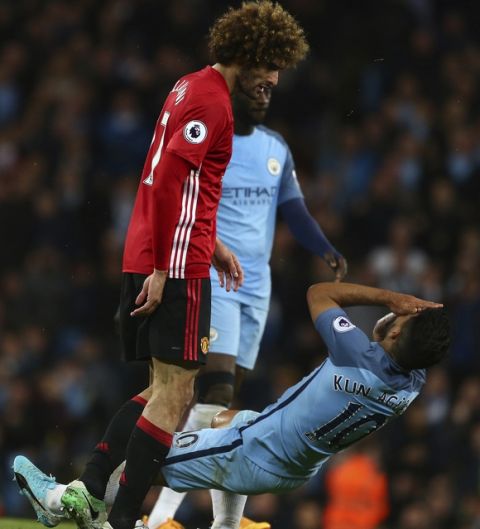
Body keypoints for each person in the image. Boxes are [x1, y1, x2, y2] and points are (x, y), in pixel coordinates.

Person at [12, 4, 309, 529]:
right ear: (247, 55)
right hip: (174, 263)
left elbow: (175, 182)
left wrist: (208, 240)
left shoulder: (188, 86)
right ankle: (120, 519)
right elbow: (171, 177)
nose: (275, 79)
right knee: (177, 396)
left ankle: (83, 492)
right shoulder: (215, 106)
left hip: (160, 250)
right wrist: (168, 267)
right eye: (270, 65)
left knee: (159, 392)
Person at [14, 281, 450, 529]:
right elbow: (397, 344)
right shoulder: (411, 383)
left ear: (394, 335)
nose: (401, 312)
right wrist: (399, 326)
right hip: (294, 462)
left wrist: (389, 300)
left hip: (255, 451)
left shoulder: (357, 354)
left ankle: (66, 502)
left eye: (404, 318)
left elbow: (320, 292)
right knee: (227, 415)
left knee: (145, 452)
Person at [147, 55, 347, 529]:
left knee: (221, 402)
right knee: (213, 391)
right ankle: (160, 517)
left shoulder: (276, 148)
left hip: (257, 286)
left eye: (269, 92)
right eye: (258, 88)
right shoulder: (213, 139)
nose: (264, 96)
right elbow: (185, 195)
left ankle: (223, 522)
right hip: (215, 275)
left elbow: (293, 209)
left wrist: (324, 248)